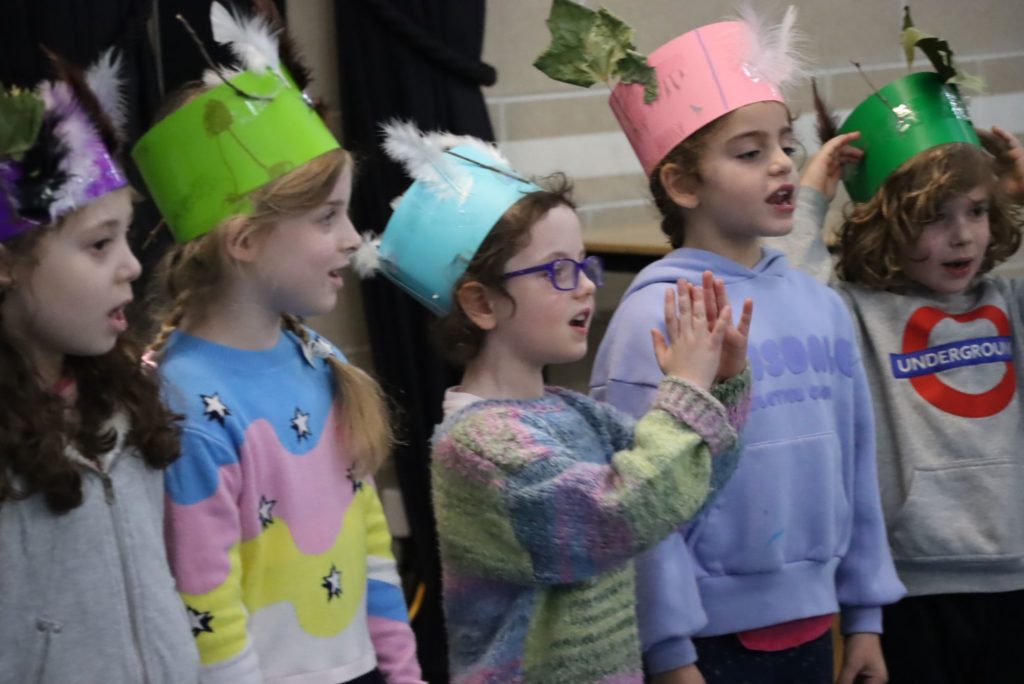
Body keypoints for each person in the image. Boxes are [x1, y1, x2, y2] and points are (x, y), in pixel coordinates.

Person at [538, 4, 905, 682]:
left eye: (785, 144)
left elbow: (856, 463)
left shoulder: (819, 305)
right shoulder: (658, 315)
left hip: (819, 629)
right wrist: (670, 652)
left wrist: (865, 617)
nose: (780, 166)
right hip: (706, 647)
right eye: (748, 151)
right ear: (682, 183)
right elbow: (639, 502)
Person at [353, 121, 753, 683]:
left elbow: (687, 486)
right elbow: (620, 513)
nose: (588, 285)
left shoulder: (571, 411)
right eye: (559, 271)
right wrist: (685, 392)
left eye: (583, 265)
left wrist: (722, 387)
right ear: (483, 304)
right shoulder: (478, 445)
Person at [132, 4, 422, 683]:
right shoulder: (186, 402)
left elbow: (373, 545)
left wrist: (404, 673)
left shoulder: (326, 364)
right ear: (245, 240)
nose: (353, 239)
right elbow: (209, 606)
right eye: (327, 217)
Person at [782, 14, 1024, 681]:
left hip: (1014, 573)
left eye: (976, 210)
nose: (962, 236)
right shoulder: (856, 314)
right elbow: (786, 303)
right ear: (886, 224)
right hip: (907, 587)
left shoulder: (1008, 304)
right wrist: (811, 195)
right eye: (931, 218)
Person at [0, 49, 199, 683]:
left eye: (126, 237)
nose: (132, 267)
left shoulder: (128, 399)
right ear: (6, 262)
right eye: (97, 244)